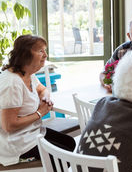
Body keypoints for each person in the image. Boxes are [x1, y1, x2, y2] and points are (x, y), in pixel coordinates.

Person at [0, 35, 76, 167]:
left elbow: (42, 89)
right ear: (25, 54)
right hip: (16, 143)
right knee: (64, 157)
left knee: (70, 144)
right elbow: (8, 125)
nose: (45, 55)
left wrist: (46, 97)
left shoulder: (27, 73)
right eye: (40, 51)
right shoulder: (12, 83)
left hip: (31, 133)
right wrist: (40, 113)